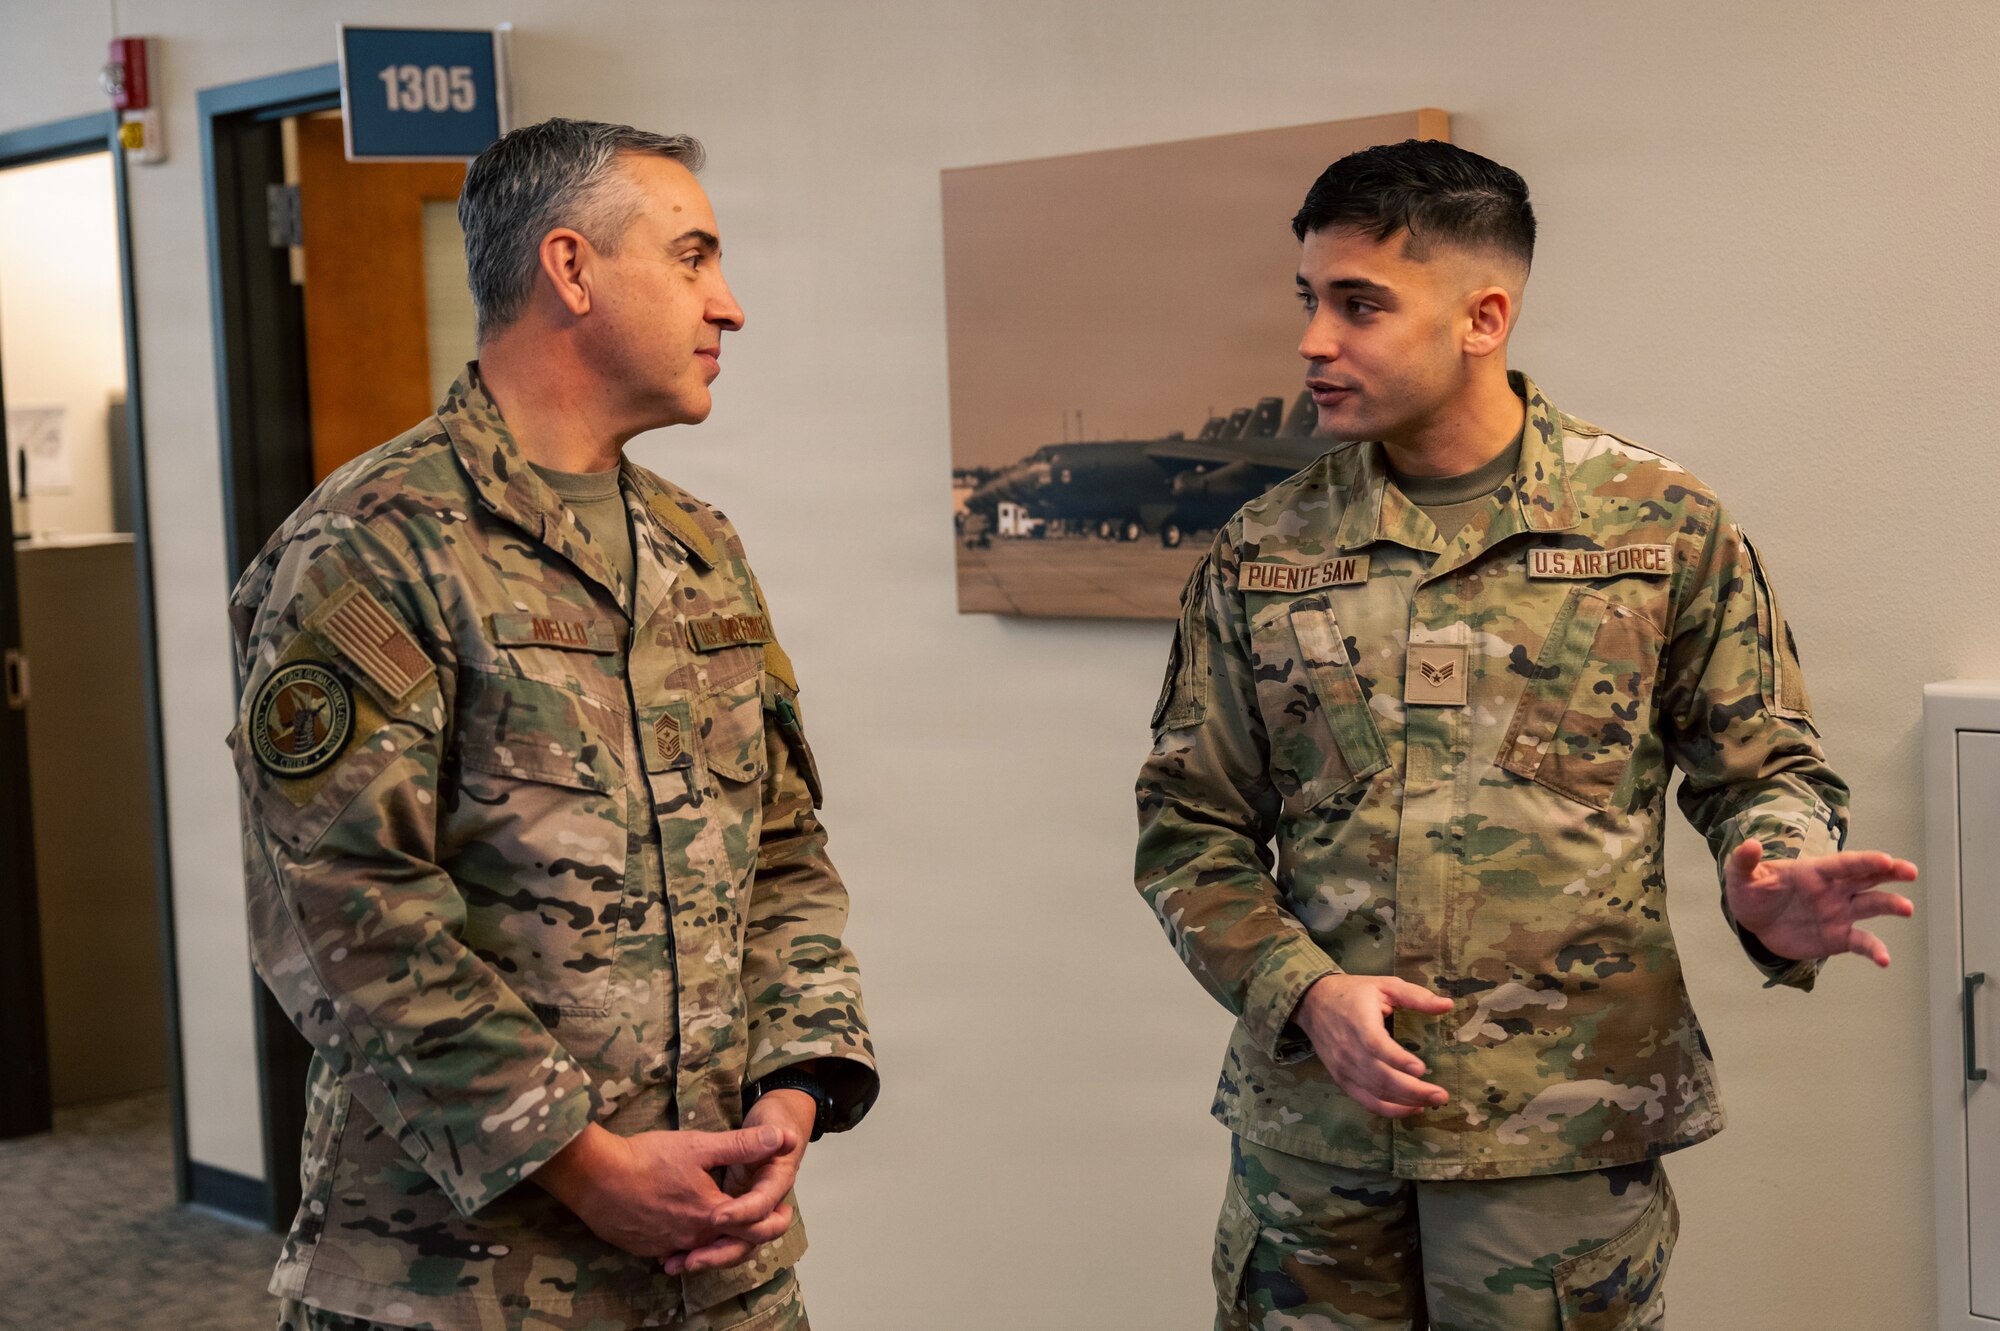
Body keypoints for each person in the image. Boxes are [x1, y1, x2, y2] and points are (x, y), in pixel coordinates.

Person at [1133, 139, 1915, 1331]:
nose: (1311, 341)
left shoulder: (1656, 527)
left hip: (1561, 1145)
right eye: (1309, 300)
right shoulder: (1263, 551)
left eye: (1358, 304)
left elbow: (1764, 767)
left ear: (1481, 315)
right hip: (1316, 1159)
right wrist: (1301, 991)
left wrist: (1772, 874)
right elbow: (1188, 829)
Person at [230, 118, 876, 1331]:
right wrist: (584, 1165)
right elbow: (342, 914)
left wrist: (792, 1089)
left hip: (717, 1263)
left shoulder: (698, 548)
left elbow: (782, 854)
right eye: (692, 257)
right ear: (571, 270)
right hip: (464, 1278)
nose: (726, 305)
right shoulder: (374, 543)